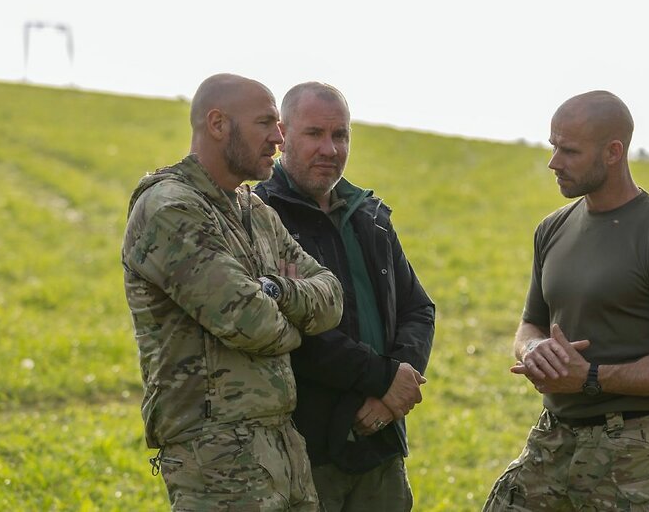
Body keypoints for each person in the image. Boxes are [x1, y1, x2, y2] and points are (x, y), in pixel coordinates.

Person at [483, 91, 649, 511]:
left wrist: (592, 376)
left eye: (570, 151)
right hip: (553, 438)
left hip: (635, 456)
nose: (554, 162)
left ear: (614, 152)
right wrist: (533, 349)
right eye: (553, 146)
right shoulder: (551, 229)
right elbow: (530, 323)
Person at [122, 73, 344, 511]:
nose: (279, 138)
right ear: (218, 124)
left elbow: (332, 297)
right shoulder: (170, 208)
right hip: (215, 459)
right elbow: (250, 320)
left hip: (283, 448)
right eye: (265, 123)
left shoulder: (254, 209)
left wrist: (274, 290)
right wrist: (295, 324)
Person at [254, 82, 435, 512]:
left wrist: (394, 390)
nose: (330, 149)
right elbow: (290, 332)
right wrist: (383, 379)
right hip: (304, 451)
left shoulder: (370, 216)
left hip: (380, 447)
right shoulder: (259, 215)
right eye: (314, 134)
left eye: (340, 135)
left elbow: (418, 308)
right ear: (282, 135)